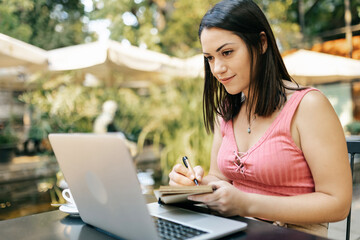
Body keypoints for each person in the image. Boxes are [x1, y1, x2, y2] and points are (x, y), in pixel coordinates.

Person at [168, 0, 352, 237]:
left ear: (261, 43)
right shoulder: (227, 111)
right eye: (210, 58)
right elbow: (219, 178)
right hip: (234, 231)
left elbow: (338, 203)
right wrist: (193, 185)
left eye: (226, 53)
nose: (217, 69)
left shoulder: (308, 107)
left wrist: (246, 203)